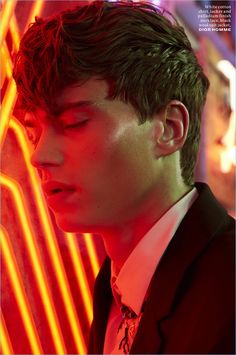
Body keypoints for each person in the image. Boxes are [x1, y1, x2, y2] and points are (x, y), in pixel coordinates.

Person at [13, 1, 234, 354]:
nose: (39, 155)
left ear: (169, 128)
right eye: (32, 131)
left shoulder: (227, 289)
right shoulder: (114, 288)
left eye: (74, 123)